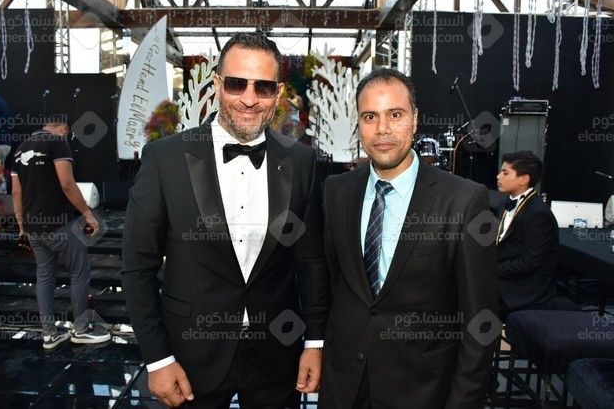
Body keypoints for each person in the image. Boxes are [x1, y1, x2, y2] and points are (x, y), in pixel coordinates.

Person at [121, 32, 329, 408]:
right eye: (236, 83)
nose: (249, 99)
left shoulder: (301, 161)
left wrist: (315, 342)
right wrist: (158, 359)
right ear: (217, 84)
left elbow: (310, 261)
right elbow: (138, 267)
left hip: (277, 352)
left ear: (278, 93)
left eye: (263, 87)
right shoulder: (165, 159)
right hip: (190, 355)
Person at [319, 68, 498, 408]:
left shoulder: (463, 200)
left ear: (415, 119)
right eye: (370, 116)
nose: (382, 129)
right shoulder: (335, 191)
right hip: (343, 383)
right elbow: (335, 286)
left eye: (395, 115)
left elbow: (480, 320)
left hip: (421, 389)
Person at [11, 114, 111, 349]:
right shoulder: (57, 142)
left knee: (45, 277)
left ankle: (49, 334)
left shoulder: (20, 149)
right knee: (79, 271)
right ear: (63, 128)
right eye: (67, 132)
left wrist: (22, 227)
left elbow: (16, 192)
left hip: (33, 227)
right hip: (58, 224)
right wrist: (87, 214)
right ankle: (81, 329)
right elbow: (67, 183)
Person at [495, 151, 559, 318]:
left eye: (505, 173)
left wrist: (490, 269)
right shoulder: (504, 203)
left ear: (523, 179)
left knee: (472, 300)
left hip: (524, 286)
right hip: (505, 274)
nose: (498, 176)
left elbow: (529, 263)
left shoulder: (538, 214)